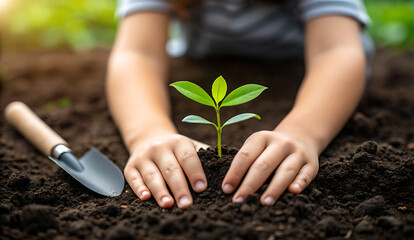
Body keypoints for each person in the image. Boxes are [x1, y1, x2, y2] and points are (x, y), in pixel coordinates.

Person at [107, 0, 374, 209]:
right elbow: (137, 54)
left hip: (302, 69)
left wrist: (303, 132)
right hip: (208, 63)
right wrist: (148, 133)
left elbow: (336, 52)